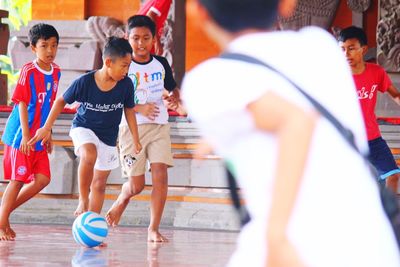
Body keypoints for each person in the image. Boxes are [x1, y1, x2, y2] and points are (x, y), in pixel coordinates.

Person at [182, 0, 400, 266]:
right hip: (371, 243)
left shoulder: (209, 81)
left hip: (292, 246)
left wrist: (276, 236)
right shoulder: (321, 47)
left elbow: (297, 121)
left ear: (196, 11)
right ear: (287, 5)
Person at [28, 37, 141, 218]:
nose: (127, 71)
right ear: (108, 62)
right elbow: (60, 101)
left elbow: (129, 110)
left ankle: (92, 223)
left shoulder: (126, 84)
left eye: (129, 66)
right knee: (89, 153)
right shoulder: (85, 82)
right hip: (83, 127)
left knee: (99, 184)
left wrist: (136, 138)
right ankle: (82, 198)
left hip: (108, 137)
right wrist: (46, 127)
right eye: (124, 65)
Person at [106, 15, 181, 243]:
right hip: (131, 129)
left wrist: (173, 99)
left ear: (154, 39)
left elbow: (172, 91)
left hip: (159, 126)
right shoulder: (123, 67)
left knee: (161, 174)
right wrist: (139, 107)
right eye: (135, 38)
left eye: (146, 38)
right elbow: (113, 96)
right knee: (137, 185)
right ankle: (123, 198)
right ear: (126, 38)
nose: (141, 43)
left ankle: (153, 229)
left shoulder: (161, 63)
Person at [0, 23, 60, 241]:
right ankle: (1, 222)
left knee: (42, 179)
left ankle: (2, 215)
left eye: (54, 46)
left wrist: (49, 132)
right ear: (34, 48)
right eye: (44, 46)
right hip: (21, 136)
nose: (50, 51)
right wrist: (25, 135)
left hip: (38, 137)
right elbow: (23, 103)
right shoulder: (28, 70)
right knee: (17, 180)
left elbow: (51, 104)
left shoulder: (57, 72)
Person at [339, 26, 400, 193]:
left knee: (392, 176)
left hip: (373, 138)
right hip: (346, 139)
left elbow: (395, 94)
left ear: (363, 49)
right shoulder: (335, 75)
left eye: (351, 49)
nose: (346, 54)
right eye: (342, 49)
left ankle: (388, 216)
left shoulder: (376, 72)